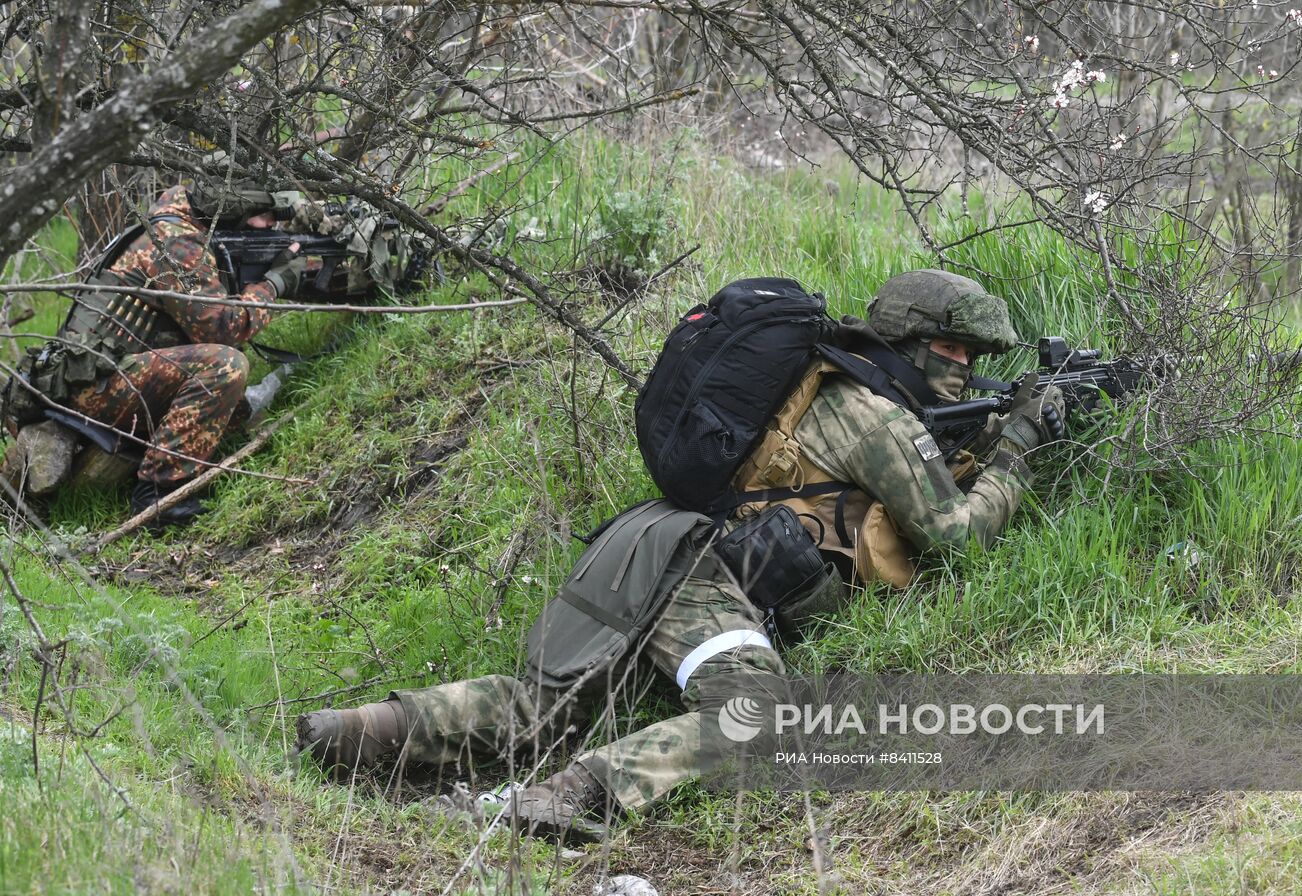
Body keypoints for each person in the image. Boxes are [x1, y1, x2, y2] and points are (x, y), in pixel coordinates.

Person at [295, 269, 1066, 841]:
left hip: (642, 542)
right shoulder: (875, 418)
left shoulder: (816, 381)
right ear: (905, 343)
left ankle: (348, 733)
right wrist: (1022, 447)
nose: (962, 366)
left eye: (971, 354)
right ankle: (574, 797)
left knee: (550, 704)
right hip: (697, 575)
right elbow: (957, 536)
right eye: (951, 348)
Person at [3, 182, 313, 525]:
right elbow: (222, 328)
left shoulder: (170, 221)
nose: (270, 224)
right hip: (92, 383)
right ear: (233, 209)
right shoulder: (176, 240)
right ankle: (159, 494)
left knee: (232, 411)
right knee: (225, 367)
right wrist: (273, 285)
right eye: (263, 216)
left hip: (99, 374)